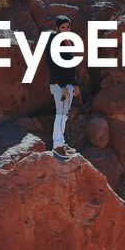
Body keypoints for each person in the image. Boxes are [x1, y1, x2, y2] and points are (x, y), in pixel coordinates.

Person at [47, 14, 81, 160]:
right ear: (57, 28)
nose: (66, 29)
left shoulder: (65, 42)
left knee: (64, 115)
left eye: (68, 27)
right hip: (59, 86)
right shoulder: (54, 41)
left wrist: (75, 84)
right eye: (62, 27)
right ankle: (58, 146)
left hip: (67, 85)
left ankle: (62, 144)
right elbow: (53, 65)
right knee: (61, 115)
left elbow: (68, 67)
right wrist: (62, 87)